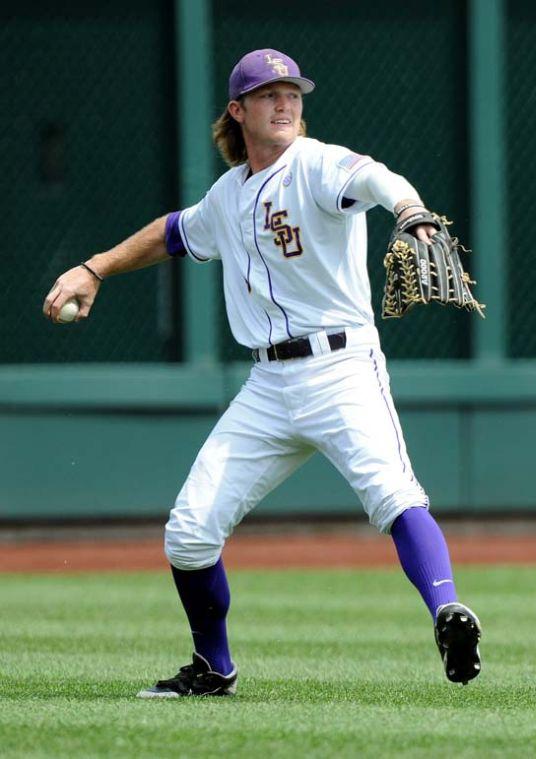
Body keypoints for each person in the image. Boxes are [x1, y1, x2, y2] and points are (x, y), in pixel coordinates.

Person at [43, 49, 482, 697]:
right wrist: (94, 267)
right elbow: (171, 232)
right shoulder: (229, 195)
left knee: (394, 494)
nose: (285, 103)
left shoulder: (318, 163)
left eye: (293, 93)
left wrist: (411, 210)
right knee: (189, 533)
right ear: (237, 110)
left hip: (342, 370)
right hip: (268, 388)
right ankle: (214, 667)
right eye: (269, 93)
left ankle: (448, 610)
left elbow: (377, 178)